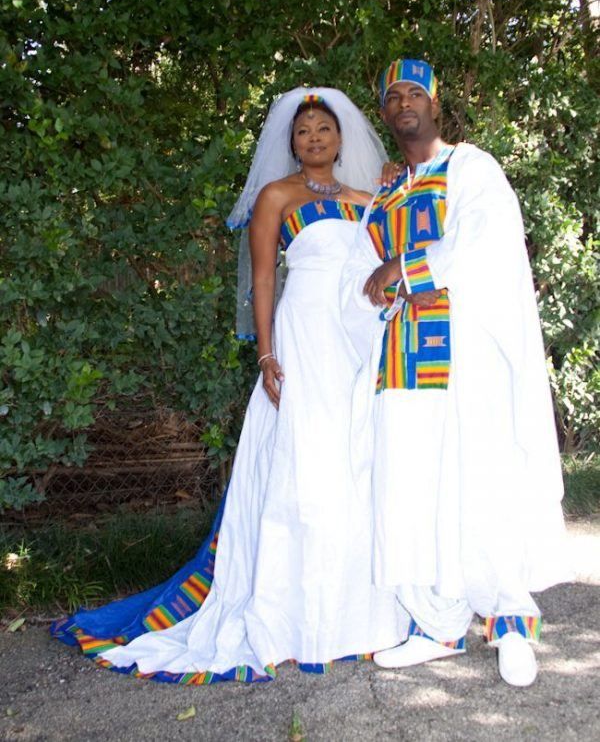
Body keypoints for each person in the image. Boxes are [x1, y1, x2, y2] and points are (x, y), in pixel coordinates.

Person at [51, 87, 408, 684]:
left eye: (324, 129)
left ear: (342, 138)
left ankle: (360, 617)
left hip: (357, 339)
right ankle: (294, 617)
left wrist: (399, 186)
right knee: (305, 464)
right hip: (302, 334)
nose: (314, 138)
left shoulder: (369, 198)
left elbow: (396, 251)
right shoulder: (277, 197)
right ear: (290, 143)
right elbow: (264, 279)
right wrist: (267, 351)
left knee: (357, 462)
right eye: (303, 132)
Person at [341, 59, 571, 687]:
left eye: (415, 92)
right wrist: (373, 293)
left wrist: (403, 271)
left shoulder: (470, 167)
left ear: (435, 105)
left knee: (481, 483)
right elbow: (356, 276)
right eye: (393, 96)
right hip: (401, 359)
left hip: (466, 352)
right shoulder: (386, 192)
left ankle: (512, 622)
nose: (404, 102)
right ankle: (437, 625)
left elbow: (484, 242)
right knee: (407, 488)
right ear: (385, 113)